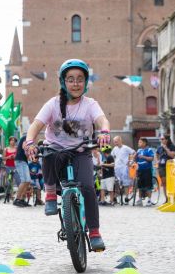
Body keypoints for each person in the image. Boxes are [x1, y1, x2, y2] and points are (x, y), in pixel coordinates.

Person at [23, 58, 110, 251]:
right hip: (56, 153)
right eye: (71, 79)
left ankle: (94, 232)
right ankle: (51, 194)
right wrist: (29, 142)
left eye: (80, 79)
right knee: (48, 152)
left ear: (85, 82)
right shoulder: (53, 104)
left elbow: (102, 120)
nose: (76, 83)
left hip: (81, 152)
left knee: (88, 188)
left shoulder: (90, 104)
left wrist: (104, 132)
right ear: (64, 82)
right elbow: (35, 126)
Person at [112, 136, 135, 203]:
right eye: (114, 142)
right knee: (117, 183)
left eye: (116, 141)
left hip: (124, 167)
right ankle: (116, 197)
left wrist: (131, 161)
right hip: (117, 167)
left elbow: (133, 152)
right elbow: (112, 156)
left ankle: (126, 197)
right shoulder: (114, 149)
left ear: (120, 140)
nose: (115, 143)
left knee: (126, 183)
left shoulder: (125, 148)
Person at [155, 135, 175, 202]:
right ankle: (166, 199)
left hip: (170, 166)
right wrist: (157, 161)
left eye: (162, 139)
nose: (161, 140)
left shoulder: (171, 146)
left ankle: (172, 198)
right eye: (160, 139)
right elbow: (157, 154)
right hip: (161, 166)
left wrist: (166, 149)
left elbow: (172, 155)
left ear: (167, 139)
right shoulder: (160, 147)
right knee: (164, 183)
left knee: (170, 182)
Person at [13, 135, 32, 207]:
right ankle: (17, 199)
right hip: (20, 161)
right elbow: (24, 147)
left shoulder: (29, 139)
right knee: (24, 180)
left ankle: (21, 199)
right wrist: (29, 154)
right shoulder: (26, 137)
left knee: (27, 181)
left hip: (23, 161)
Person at [135, 137, 154, 206]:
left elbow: (151, 158)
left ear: (144, 143)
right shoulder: (138, 150)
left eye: (140, 142)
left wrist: (143, 157)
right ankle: (140, 199)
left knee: (148, 185)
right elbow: (136, 160)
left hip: (147, 170)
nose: (138, 143)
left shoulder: (149, 150)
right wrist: (134, 158)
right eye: (138, 142)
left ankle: (149, 200)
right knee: (140, 185)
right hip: (140, 170)